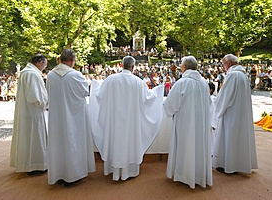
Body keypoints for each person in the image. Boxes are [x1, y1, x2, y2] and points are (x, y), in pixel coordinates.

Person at [90, 56, 164, 181]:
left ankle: (113, 170)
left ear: (122, 65)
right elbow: (149, 98)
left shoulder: (110, 80)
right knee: (130, 142)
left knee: (115, 141)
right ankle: (129, 171)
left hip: (114, 123)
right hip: (131, 124)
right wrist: (159, 90)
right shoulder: (138, 82)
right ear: (133, 67)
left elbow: (98, 95)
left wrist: (95, 84)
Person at [46, 49, 95, 186]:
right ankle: (74, 174)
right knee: (73, 142)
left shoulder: (51, 75)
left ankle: (59, 174)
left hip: (56, 116)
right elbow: (86, 91)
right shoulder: (75, 75)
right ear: (72, 60)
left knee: (58, 144)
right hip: (74, 116)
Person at [163, 56, 212, 189]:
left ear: (184, 67)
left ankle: (184, 174)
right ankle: (198, 174)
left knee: (186, 145)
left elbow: (170, 104)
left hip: (185, 122)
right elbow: (209, 103)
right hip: (200, 122)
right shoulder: (203, 82)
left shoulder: (182, 83)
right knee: (198, 146)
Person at [212, 54, 258, 174]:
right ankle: (238, 164)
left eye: (223, 64)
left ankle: (229, 165)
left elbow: (224, 96)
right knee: (239, 138)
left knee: (230, 137)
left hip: (231, 113)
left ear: (229, 63)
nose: (223, 67)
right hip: (241, 113)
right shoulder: (243, 75)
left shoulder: (233, 75)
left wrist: (215, 108)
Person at [10, 54, 48, 175]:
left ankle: (30, 164)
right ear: (40, 62)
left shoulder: (27, 72)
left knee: (30, 138)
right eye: (45, 64)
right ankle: (36, 165)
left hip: (30, 111)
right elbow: (35, 96)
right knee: (35, 137)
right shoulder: (32, 74)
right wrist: (46, 103)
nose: (45, 67)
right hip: (34, 112)